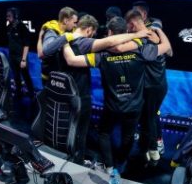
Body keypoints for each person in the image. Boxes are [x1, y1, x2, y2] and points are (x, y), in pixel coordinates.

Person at [63, 16, 172, 173]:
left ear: (109, 32)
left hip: (112, 106)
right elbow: (167, 47)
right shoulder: (142, 51)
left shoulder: (102, 55)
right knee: (128, 137)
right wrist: (158, 30)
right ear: (126, 31)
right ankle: (120, 163)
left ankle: (108, 166)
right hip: (134, 107)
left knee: (104, 133)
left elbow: (71, 60)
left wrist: (65, 41)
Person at [125, 9, 169, 165]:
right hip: (160, 84)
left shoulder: (142, 41)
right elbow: (169, 51)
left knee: (147, 119)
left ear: (132, 24)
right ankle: (150, 150)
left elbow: (119, 48)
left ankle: (150, 152)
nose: (127, 29)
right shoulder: (155, 35)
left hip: (151, 87)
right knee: (149, 117)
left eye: (128, 26)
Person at [36, 7, 78, 85]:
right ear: (66, 21)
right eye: (74, 22)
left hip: (62, 75)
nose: (75, 25)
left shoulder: (69, 31)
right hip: (50, 78)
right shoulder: (51, 31)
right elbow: (45, 51)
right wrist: (64, 38)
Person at [6, 7, 34, 98]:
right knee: (16, 77)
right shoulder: (9, 27)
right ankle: (19, 93)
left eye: (9, 16)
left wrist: (23, 60)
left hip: (21, 57)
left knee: (26, 76)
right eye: (7, 16)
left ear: (15, 16)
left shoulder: (22, 27)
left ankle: (32, 95)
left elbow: (26, 45)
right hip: (12, 57)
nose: (7, 18)